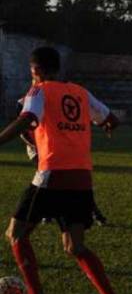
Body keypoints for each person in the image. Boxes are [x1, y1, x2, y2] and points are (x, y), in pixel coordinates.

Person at [0, 47, 126, 294]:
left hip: (52, 175)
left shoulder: (39, 91)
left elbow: (28, 119)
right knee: (75, 246)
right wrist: (104, 128)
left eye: (32, 73)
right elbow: (110, 119)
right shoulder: (80, 92)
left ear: (36, 71)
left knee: (17, 234)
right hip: (82, 178)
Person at [17, 97, 108, 226]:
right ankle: (50, 214)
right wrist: (38, 146)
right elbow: (23, 130)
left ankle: (93, 213)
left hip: (54, 148)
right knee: (47, 181)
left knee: (64, 182)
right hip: (39, 149)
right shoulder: (24, 102)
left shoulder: (51, 97)